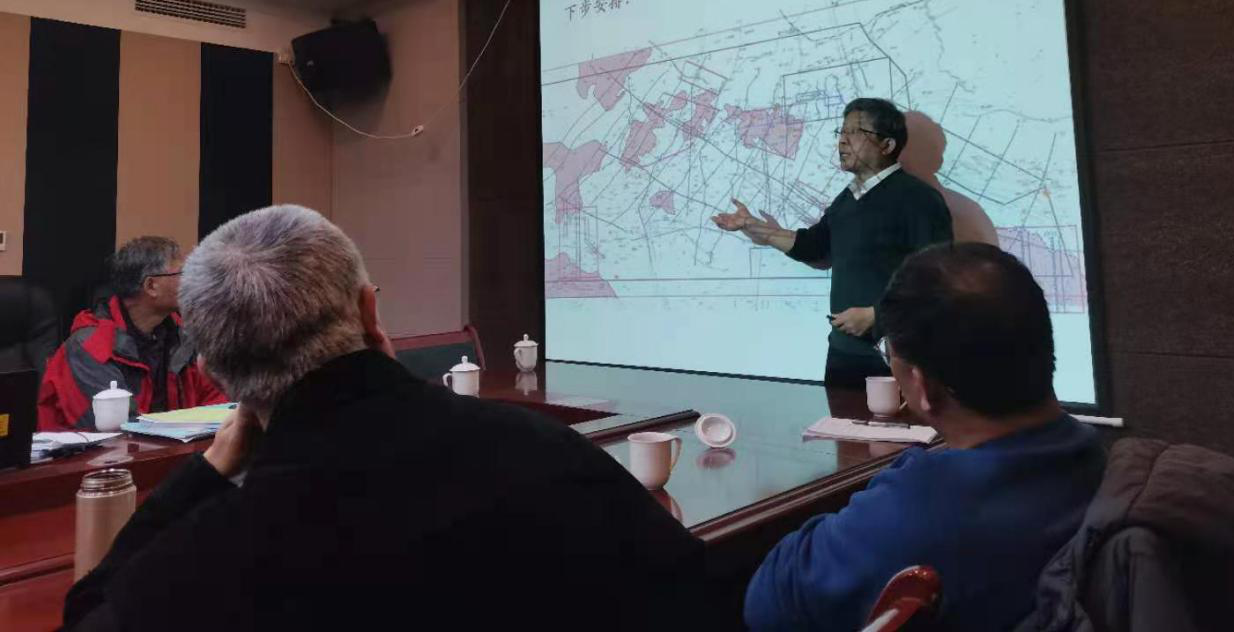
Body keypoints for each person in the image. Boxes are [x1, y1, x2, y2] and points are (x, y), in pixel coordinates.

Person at [63, 205, 711, 631]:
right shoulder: (550, 449)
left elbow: (89, 611)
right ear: (372, 315)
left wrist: (203, 474)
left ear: (215, 369)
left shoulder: (207, 556)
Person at [744, 243, 1107, 631]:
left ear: (921, 385)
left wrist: (905, 477)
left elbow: (767, 601)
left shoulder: (922, 506)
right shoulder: (1100, 459)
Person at [713, 97, 952, 386]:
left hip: (897, 359)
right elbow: (814, 246)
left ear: (887, 145)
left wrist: (876, 316)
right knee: (839, 418)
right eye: (841, 131)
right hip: (843, 353)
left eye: (855, 132)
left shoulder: (919, 199)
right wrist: (751, 225)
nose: (842, 141)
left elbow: (939, 281)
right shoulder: (847, 199)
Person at [37, 236, 224, 430]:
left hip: (174, 444)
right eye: (183, 273)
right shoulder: (89, 347)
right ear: (151, 286)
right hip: (101, 448)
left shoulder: (182, 334)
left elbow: (218, 397)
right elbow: (117, 428)